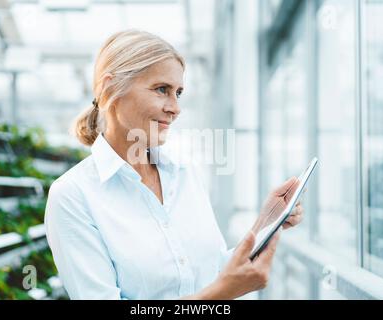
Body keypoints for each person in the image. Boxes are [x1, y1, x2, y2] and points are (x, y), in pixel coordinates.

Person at [44, 29, 303, 300]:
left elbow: (210, 272)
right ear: (110, 89)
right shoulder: (73, 195)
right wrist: (222, 294)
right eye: (161, 90)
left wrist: (265, 224)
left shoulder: (184, 174)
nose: (175, 108)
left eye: (178, 92)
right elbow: (219, 289)